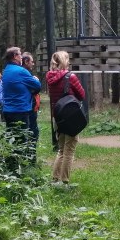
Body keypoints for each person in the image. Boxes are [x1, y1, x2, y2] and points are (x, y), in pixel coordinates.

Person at [46, 51, 86, 185]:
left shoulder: (49, 77)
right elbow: (82, 95)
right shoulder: (71, 77)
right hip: (70, 117)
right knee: (70, 149)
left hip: (57, 116)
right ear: (64, 61)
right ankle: (65, 182)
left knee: (61, 149)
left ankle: (55, 178)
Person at [1, 47, 42, 166]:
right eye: (19, 55)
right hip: (21, 110)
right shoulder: (20, 71)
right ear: (14, 56)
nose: (21, 57)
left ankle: (11, 164)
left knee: (12, 138)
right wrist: (35, 79)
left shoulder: (6, 70)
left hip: (8, 111)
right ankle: (23, 167)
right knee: (23, 139)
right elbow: (37, 85)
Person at [22, 52, 41, 160]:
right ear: (26, 61)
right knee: (32, 133)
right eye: (32, 61)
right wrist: (36, 81)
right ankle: (31, 159)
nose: (33, 64)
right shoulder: (25, 74)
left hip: (30, 107)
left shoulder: (25, 73)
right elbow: (36, 88)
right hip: (29, 108)